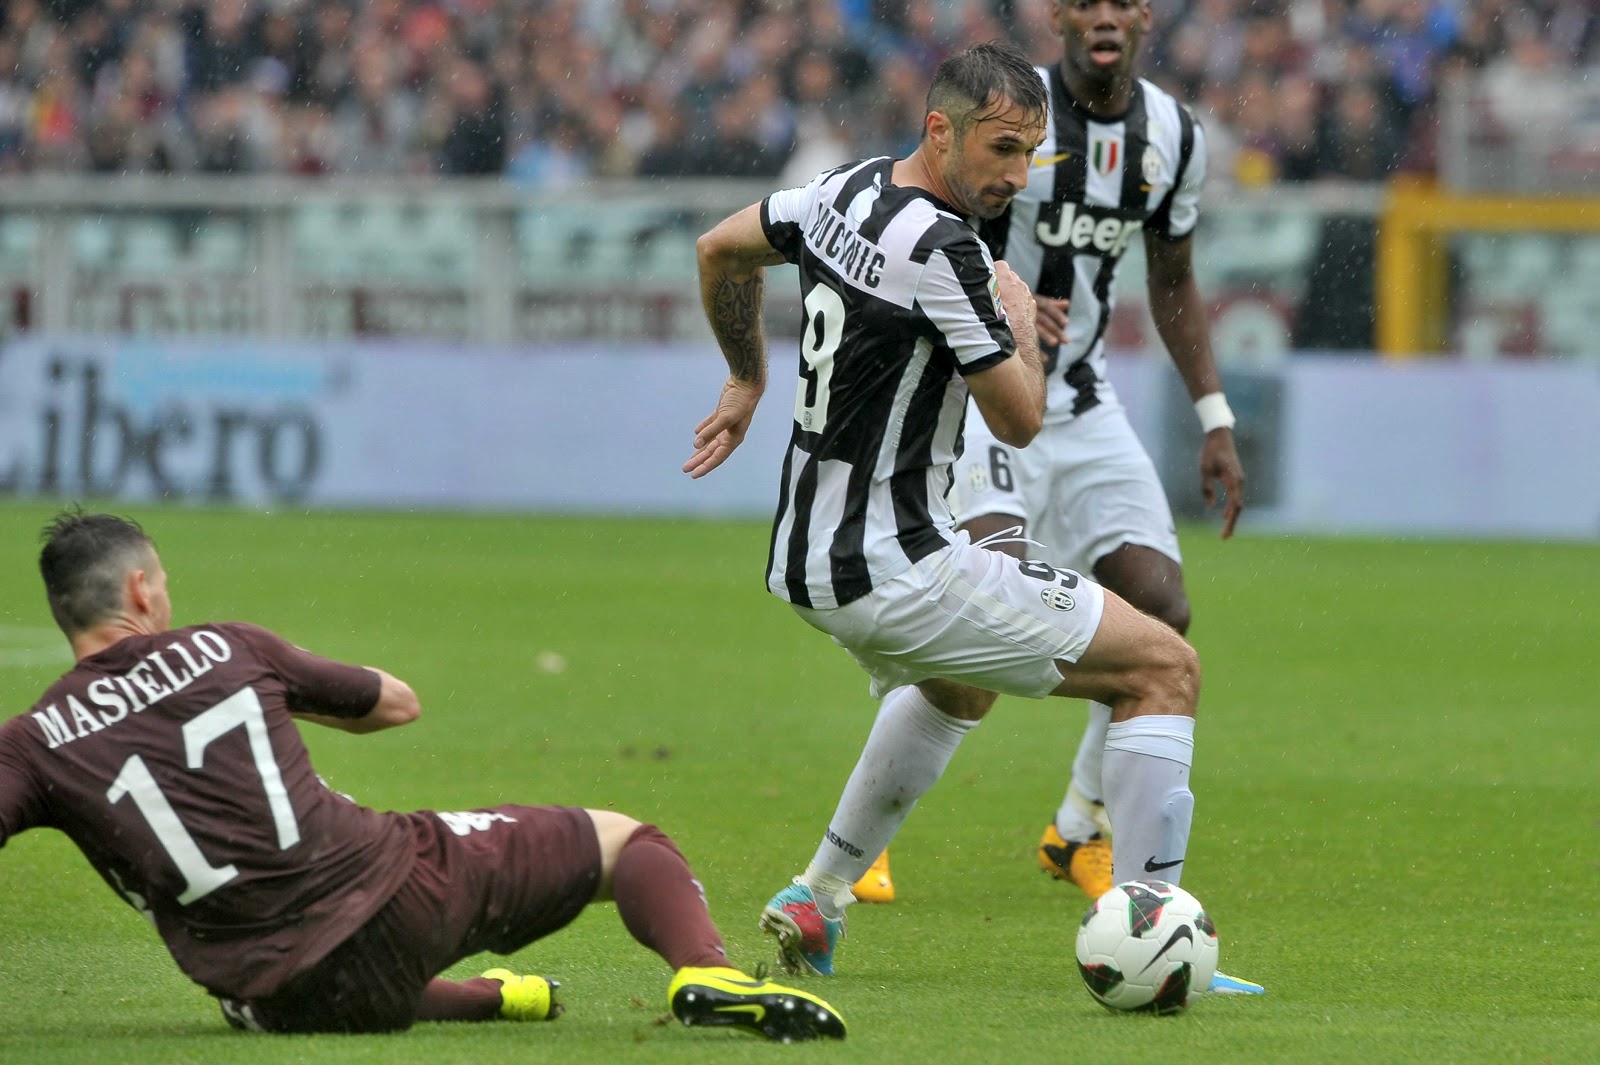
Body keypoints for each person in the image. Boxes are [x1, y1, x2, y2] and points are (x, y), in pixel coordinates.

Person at [685, 40, 1256, 993]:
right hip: (899, 565)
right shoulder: (950, 255)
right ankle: (1158, 932)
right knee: (1166, 667)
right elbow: (1022, 421)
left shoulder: (841, 190)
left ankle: (816, 895)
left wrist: (746, 377)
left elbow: (720, 248)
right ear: (939, 131)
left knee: (962, 686)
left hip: (811, 554)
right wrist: (1018, 314)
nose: (1016, 176)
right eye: (1000, 149)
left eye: (1029, 152)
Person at [0, 511, 847, 1041]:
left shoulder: (34, 742)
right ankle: (705, 967)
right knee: (626, 842)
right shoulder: (227, 647)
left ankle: (494, 1000)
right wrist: (271, 694)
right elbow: (394, 704)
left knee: (278, 987)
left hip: (271, 989)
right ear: (140, 588)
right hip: (398, 897)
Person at [855, 0, 1251, 922]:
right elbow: (931, 212)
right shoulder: (1012, 112)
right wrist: (1003, 295)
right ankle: (865, 842)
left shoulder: (1175, 136)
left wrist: (1214, 414)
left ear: (1143, 16)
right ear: (1062, 15)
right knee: (977, 616)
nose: (1105, 16)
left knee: (1163, 609)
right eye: (1087, 1)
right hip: (990, 396)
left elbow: (1173, 276)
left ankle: (1079, 827)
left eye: (1121, 1)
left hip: (1085, 400)